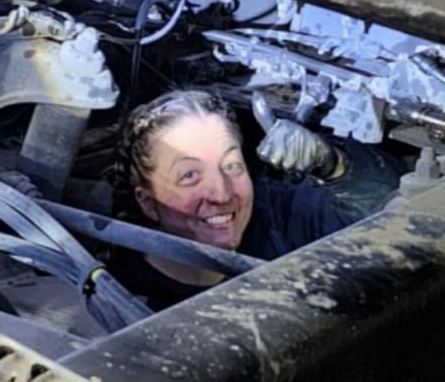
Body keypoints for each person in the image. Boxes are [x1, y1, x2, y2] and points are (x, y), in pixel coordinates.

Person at [109, 89, 403, 310]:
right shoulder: (118, 295)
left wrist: (334, 164)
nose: (222, 194)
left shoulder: (277, 215)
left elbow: (395, 212)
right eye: (189, 176)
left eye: (231, 166)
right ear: (147, 202)